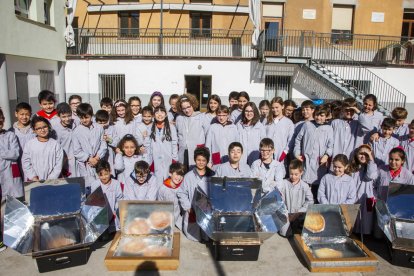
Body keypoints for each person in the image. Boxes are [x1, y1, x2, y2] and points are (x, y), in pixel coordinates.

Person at [294, 105, 333, 200]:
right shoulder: (307, 125)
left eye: (322, 115)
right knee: (304, 187)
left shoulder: (328, 129)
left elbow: (330, 145)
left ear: (326, 116)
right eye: (317, 115)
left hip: (319, 163)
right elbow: (298, 139)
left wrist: (326, 156)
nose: (319, 118)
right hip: (306, 160)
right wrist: (297, 153)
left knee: (317, 188)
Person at [177, 147, 215, 241]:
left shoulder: (213, 175)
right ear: (195, 160)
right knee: (194, 235)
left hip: (208, 210)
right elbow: (181, 193)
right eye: (198, 160)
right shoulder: (188, 176)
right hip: (192, 210)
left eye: (203, 160)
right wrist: (188, 207)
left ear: (207, 161)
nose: (201, 162)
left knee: (208, 234)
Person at [276, 159, 313, 236]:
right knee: (284, 234)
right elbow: (279, 199)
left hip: (299, 213)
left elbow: (310, 201)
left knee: (300, 233)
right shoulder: (284, 183)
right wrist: (285, 212)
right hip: (287, 213)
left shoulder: (305, 186)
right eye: (291, 174)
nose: (293, 176)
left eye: (296, 174)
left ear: (301, 173)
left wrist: (300, 211)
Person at [72, 103, 107, 184]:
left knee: (100, 186)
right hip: (85, 165)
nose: (84, 120)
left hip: (98, 162)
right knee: (87, 187)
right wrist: (89, 159)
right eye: (81, 118)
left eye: (87, 117)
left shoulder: (98, 128)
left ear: (91, 115)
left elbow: (103, 145)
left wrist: (97, 158)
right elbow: (77, 151)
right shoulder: (76, 132)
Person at [22, 116, 63, 181]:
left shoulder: (55, 144)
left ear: (49, 127)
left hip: (52, 180)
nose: (42, 130)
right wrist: (33, 176)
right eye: (38, 128)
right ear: (34, 130)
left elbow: (59, 164)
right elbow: (26, 162)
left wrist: (51, 178)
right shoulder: (30, 144)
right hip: (34, 180)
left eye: (45, 127)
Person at [348, 145, 378, 235]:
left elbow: (371, 175)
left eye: (366, 154)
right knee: (352, 220)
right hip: (354, 197)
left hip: (366, 197)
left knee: (365, 220)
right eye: (361, 153)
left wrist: (370, 160)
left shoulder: (372, 167)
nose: (363, 156)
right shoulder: (353, 168)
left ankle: (364, 237)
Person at [175, 94, 207, 169]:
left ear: (193, 104)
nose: (186, 110)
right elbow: (177, 135)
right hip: (183, 151)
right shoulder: (179, 118)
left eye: (188, 107)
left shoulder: (201, 117)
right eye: (184, 108)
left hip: (196, 150)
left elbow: (207, 134)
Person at [91, 160, 123, 231]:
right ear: (97, 174)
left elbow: (119, 199)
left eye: (106, 174)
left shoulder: (116, 183)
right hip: (101, 215)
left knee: (114, 232)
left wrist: (116, 211)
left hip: (113, 214)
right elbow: (93, 203)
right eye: (101, 175)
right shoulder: (95, 184)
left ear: (110, 171)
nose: (104, 177)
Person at [0, 107, 24, 199]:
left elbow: (15, 154)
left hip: (10, 174)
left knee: (13, 202)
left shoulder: (10, 135)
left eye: (0, 120)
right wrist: (6, 153)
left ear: (3, 119)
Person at [150, 106, 178, 182]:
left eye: (162, 112)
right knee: (156, 180)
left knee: (168, 179)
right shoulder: (151, 127)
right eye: (157, 112)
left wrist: (174, 158)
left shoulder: (171, 127)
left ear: (166, 115)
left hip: (168, 158)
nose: (159, 114)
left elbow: (174, 143)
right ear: (153, 115)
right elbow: (148, 145)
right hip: (155, 159)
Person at [157, 162, 186, 230]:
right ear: (170, 174)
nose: (179, 177)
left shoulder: (182, 186)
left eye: (181, 175)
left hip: (178, 216)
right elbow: (159, 204)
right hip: (166, 216)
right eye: (177, 174)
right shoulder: (163, 188)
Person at [51, 103, 77, 177]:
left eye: (69, 115)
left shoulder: (76, 122)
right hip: (62, 159)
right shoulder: (54, 127)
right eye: (64, 117)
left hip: (74, 158)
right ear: (58, 116)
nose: (67, 119)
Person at [265, 97, 294, 163]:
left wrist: (285, 152)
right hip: (267, 154)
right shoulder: (267, 121)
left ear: (282, 106)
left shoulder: (288, 122)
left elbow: (290, 140)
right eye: (273, 108)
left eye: (277, 107)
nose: (274, 110)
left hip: (281, 155)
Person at [95, 110, 118, 176]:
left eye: (104, 122)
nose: (102, 125)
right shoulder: (94, 129)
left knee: (110, 170)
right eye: (100, 123)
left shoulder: (112, 128)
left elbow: (116, 141)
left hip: (109, 154)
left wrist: (109, 140)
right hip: (98, 155)